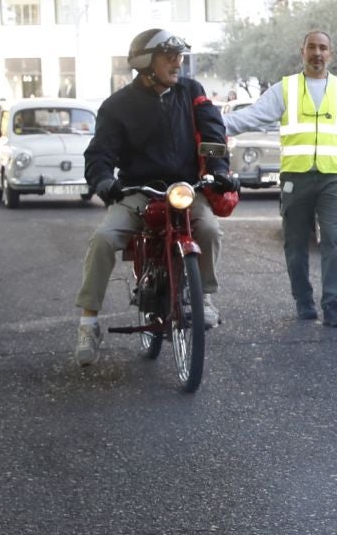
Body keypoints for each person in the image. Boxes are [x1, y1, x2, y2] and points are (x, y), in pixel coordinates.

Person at [76, 30, 234, 365]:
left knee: (208, 230)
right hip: (137, 192)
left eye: (178, 56)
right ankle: (88, 322)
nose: (177, 63)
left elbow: (213, 134)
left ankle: (202, 299)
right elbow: (99, 154)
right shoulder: (117, 106)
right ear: (146, 63)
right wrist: (105, 181)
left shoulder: (192, 91)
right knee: (103, 239)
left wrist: (219, 169)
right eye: (168, 56)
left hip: (185, 190)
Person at [222, 31, 337, 327]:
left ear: (331, 54)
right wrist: (212, 123)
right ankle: (304, 301)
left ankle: (333, 306)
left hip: (333, 178)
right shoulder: (286, 88)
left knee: (334, 241)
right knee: (295, 243)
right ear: (302, 52)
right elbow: (251, 117)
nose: (317, 53)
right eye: (312, 47)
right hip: (295, 179)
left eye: (323, 48)